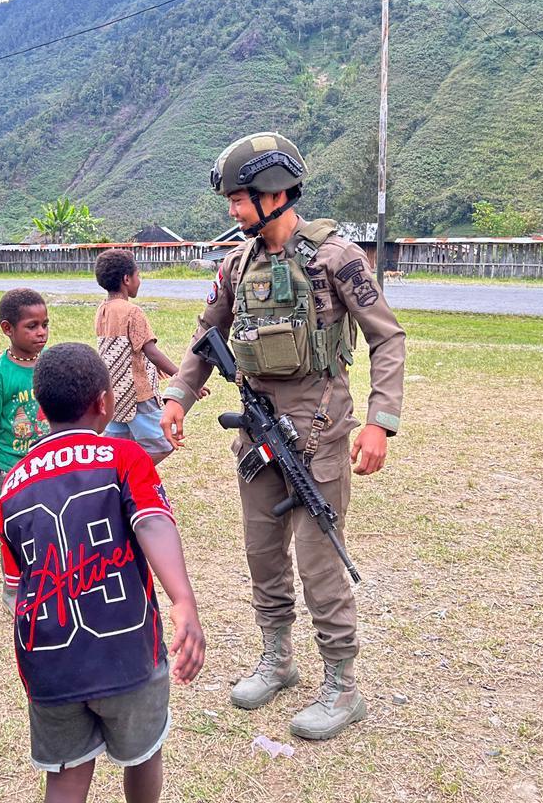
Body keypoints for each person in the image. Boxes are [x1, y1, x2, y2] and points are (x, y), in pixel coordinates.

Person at [159, 132, 405, 741]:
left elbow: (387, 337)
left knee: (320, 560)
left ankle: (343, 685)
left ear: (273, 193)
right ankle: (278, 658)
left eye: (239, 198)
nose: (233, 210)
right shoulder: (237, 265)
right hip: (256, 432)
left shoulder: (336, 258)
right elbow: (204, 337)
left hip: (319, 430)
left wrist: (380, 419)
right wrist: (178, 396)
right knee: (262, 553)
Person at [0, 343, 205, 803]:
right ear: (104, 402)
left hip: (49, 664)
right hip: (127, 655)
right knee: (144, 753)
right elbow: (152, 521)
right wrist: (183, 600)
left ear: (42, 407)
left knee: (66, 778)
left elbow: (15, 593)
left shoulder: (11, 487)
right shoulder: (124, 457)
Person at [93, 249, 187, 465]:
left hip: (113, 394)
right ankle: (132, 477)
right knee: (164, 443)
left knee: (115, 451)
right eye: (138, 275)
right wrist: (184, 379)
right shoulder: (132, 312)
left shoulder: (102, 309)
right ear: (127, 279)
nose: (139, 280)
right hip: (138, 396)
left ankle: (118, 483)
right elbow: (151, 352)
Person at [0, 288, 52, 507]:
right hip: (10, 468)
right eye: (32, 326)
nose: (41, 332)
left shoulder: (53, 364)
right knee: (13, 528)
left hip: (49, 463)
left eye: (45, 325)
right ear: (7, 328)